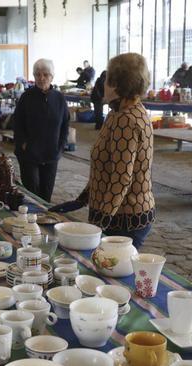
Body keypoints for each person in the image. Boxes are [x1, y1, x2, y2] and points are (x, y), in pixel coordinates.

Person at [55, 53, 155, 248]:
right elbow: (107, 168)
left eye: (107, 78)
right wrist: (83, 199)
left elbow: (121, 178)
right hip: (118, 214)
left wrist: (99, 222)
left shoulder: (126, 119)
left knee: (112, 273)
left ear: (118, 84)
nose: (103, 84)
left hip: (124, 218)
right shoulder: (118, 113)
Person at [13, 58, 69, 202]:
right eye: (37, 74)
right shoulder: (27, 97)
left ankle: (44, 222)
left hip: (51, 154)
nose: (41, 78)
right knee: (32, 193)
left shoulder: (59, 98)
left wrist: (60, 148)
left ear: (52, 77)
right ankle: (31, 221)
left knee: (46, 194)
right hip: (29, 154)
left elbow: (65, 125)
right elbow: (17, 123)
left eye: (45, 74)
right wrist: (23, 144)